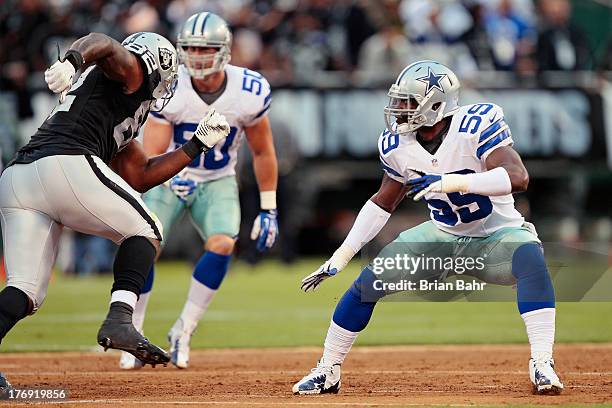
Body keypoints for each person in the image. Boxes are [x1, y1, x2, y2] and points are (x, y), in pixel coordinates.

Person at [293, 60, 563, 395]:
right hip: (442, 237)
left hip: (497, 236)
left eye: (407, 102)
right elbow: (383, 202)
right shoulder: (397, 144)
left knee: (530, 260)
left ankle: (541, 363)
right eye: (399, 101)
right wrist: (343, 254)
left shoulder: (475, 125)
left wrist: (451, 183)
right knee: (366, 285)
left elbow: (518, 178)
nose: (399, 110)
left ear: (437, 103)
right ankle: (328, 369)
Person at [0, 31, 230, 372]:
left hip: (18, 179)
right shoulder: (133, 72)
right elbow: (104, 43)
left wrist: (195, 146)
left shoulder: (117, 108)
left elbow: (140, 175)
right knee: (147, 228)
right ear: (158, 64)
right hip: (64, 163)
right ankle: (120, 319)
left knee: (24, 291)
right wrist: (73, 59)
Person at [119, 12, 278, 370]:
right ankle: (134, 330)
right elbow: (153, 152)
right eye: (189, 48)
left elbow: (264, 151)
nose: (196, 56)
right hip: (171, 177)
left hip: (218, 178)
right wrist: (172, 175)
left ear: (224, 51)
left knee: (223, 243)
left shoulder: (249, 90)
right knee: (144, 242)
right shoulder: (172, 86)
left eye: (205, 49)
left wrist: (269, 207)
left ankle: (183, 330)